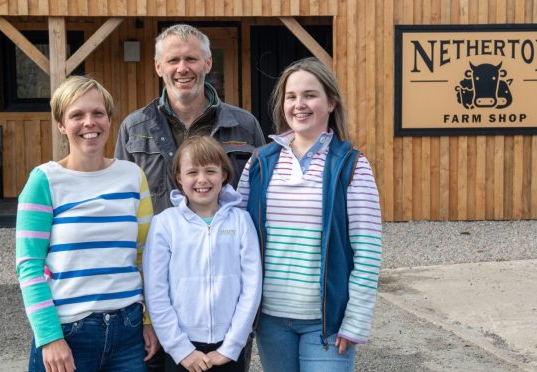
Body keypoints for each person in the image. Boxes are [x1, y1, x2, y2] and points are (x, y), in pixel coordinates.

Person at [237, 57, 383, 372]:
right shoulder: (260, 162)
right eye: (291, 97)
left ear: (331, 102)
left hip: (326, 321)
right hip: (271, 319)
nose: (299, 105)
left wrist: (356, 320)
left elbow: (368, 250)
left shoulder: (351, 165)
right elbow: (236, 232)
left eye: (310, 95)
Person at [16, 76, 158, 372]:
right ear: (61, 124)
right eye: (77, 115)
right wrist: (49, 337)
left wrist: (148, 320)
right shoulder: (44, 181)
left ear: (109, 119)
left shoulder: (132, 176)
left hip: (128, 331)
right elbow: (29, 265)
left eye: (98, 113)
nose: (89, 122)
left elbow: (145, 255)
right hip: (68, 333)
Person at [114, 23, 265, 215]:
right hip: (157, 244)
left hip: (227, 242)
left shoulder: (245, 126)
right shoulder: (134, 128)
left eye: (191, 59)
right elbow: (121, 199)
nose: (182, 68)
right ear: (158, 67)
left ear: (208, 63)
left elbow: (259, 197)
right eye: (173, 60)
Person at [143, 136, 262, 372]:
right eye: (192, 172)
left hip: (228, 347)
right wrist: (180, 349)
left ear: (224, 175)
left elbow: (252, 287)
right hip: (181, 348)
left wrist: (231, 346)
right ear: (178, 177)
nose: (202, 179)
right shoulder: (165, 224)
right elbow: (156, 291)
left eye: (210, 171)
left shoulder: (241, 221)